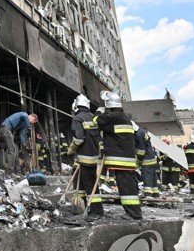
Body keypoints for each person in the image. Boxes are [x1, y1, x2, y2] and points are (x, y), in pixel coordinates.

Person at [94, 90, 141, 219]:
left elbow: (96, 121)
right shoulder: (123, 117)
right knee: (128, 186)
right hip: (126, 159)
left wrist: (99, 111)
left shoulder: (113, 117)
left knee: (126, 188)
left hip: (121, 160)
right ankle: (133, 212)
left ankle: (134, 213)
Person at [66, 95, 103, 216]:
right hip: (93, 156)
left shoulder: (78, 118)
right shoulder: (92, 117)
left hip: (84, 157)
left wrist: (71, 149)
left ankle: (97, 211)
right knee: (83, 184)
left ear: (76, 106)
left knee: (89, 184)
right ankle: (82, 207)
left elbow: (79, 139)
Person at [136, 124, 159, 197]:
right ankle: (155, 193)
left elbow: (141, 151)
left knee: (147, 177)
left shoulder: (138, 134)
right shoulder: (141, 132)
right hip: (151, 158)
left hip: (146, 160)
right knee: (153, 177)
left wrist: (138, 161)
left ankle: (148, 194)